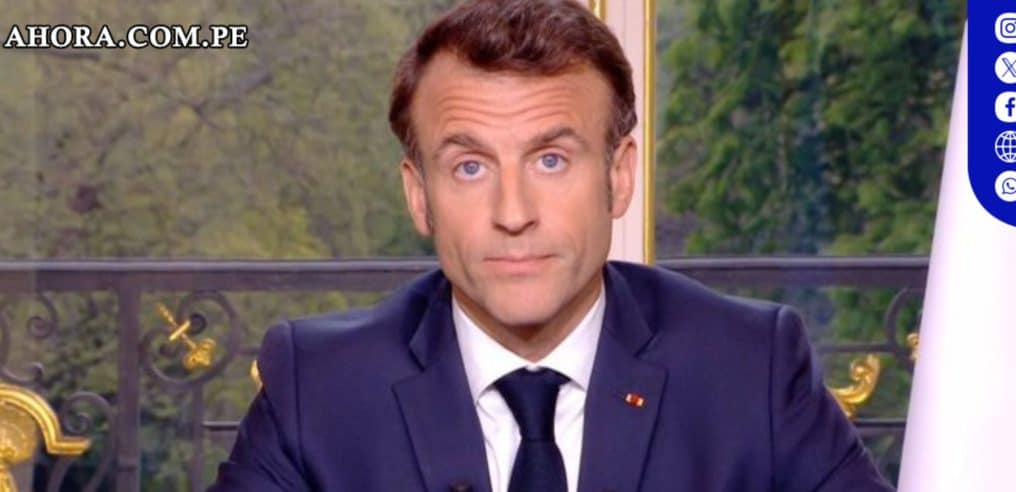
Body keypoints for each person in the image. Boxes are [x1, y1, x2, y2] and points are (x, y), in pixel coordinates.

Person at [209, 0, 895, 490]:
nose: (514, 213)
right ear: (419, 196)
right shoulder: (319, 388)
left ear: (618, 177)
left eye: (551, 160)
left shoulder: (751, 368)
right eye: (469, 167)